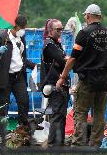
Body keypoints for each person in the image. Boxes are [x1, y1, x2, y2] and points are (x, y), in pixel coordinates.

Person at [56, 4, 107, 147]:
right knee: (99, 114)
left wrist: (62, 77)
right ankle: (95, 144)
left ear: (89, 16)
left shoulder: (84, 33)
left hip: (87, 80)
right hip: (104, 80)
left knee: (81, 113)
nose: (85, 17)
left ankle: (79, 144)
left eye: (85, 15)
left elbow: (72, 58)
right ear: (100, 17)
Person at [0, 14, 36, 136]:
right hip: (4, 77)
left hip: (18, 76)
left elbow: (22, 58)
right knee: (4, 104)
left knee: (24, 100)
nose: (23, 30)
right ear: (15, 26)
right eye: (22, 27)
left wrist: (34, 65)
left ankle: (23, 128)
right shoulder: (1, 37)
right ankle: (1, 132)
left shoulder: (21, 39)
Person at [40, 19, 70, 148]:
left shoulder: (56, 44)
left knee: (61, 115)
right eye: (58, 29)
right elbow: (63, 61)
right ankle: (53, 144)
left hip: (61, 84)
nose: (60, 32)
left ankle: (59, 143)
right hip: (54, 84)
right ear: (50, 31)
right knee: (57, 115)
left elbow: (65, 60)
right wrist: (69, 59)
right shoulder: (49, 45)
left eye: (61, 29)